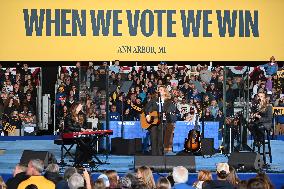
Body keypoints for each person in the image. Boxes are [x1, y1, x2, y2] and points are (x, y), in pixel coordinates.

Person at [144, 85, 176, 155]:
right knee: (153, 139)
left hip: (163, 122)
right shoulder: (154, 100)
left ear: (165, 92)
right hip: (153, 123)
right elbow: (146, 108)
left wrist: (170, 119)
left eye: (161, 89)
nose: (159, 91)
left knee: (160, 140)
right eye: (159, 89)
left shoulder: (169, 102)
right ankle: (153, 156)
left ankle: (160, 156)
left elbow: (173, 112)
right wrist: (147, 115)